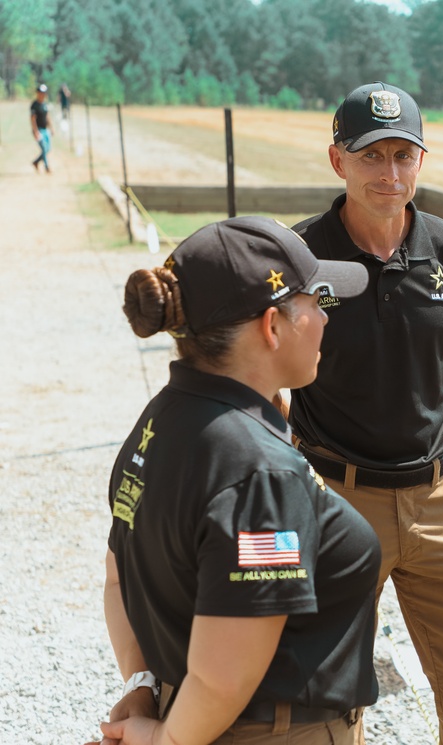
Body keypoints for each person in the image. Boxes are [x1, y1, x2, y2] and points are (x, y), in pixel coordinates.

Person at [89, 216, 380, 745]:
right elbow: (225, 677)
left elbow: (119, 578)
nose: (325, 318)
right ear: (272, 326)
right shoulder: (261, 472)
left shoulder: (158, 421)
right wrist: (162, 740)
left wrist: (142, 684)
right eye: (316, 302)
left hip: (190, 714)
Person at [291, 82, 443, 745]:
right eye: (371, 156)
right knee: (326, 693)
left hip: (438, 499)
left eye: (402, 155)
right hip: (333, 498)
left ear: (421, 160)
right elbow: (271, 379)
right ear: (339, 161)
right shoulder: (299, 259)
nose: (389, 174)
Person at [30, 84, 52, 173]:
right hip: (38, 130)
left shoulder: (44, 104)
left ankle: (36, 162)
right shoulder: (34, 105)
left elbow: (47, 116)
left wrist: (51, 127)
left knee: (48, 149)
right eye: (40, 93)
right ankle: (47, 167)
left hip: (45, 129)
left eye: (43, 93)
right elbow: (32, 119)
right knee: (44, 148)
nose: (42, 94)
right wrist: (35, 131)